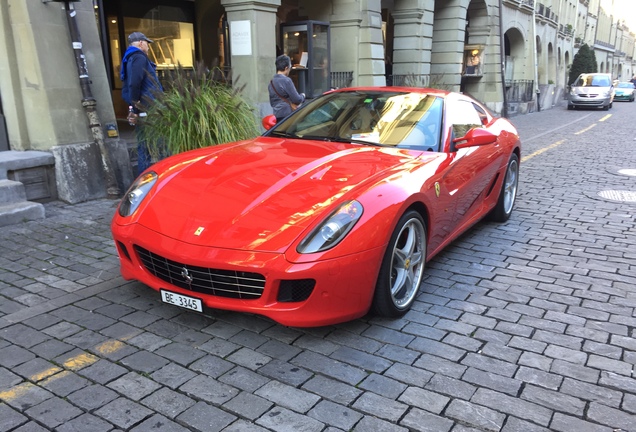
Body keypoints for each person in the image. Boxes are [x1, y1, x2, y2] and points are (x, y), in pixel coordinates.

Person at [120, 31, 164, 175]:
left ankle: (144, 178)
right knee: (159, 144)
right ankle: (158, 177)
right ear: (140, 43)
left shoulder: (130, 58)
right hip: (149, 107)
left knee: (145, 144)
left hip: (144, 106)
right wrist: (135, 107)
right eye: (147, 43)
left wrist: (133, 107)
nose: (148, 46)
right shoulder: (139, 57)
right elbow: (134, 83)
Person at [268, 55, 305, 123]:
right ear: (286, 68)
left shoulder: (271, 82)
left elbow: (272, 103)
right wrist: (303, 96)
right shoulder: (287, 80)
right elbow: (297, 99)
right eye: (290, 68)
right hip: (287, 115)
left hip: (276, 115)